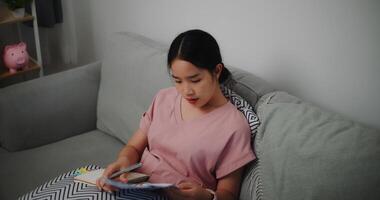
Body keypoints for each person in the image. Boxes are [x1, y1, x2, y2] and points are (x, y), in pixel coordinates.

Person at [96, 29, 255, 200]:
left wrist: (206, 196)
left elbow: (229, 194)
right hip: (135, 187)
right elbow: (134, 147)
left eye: (195, 80)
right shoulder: (164, 98)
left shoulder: (234, 126)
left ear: (216, 71)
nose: (186, 91)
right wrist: (123, 161)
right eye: (177, 80)